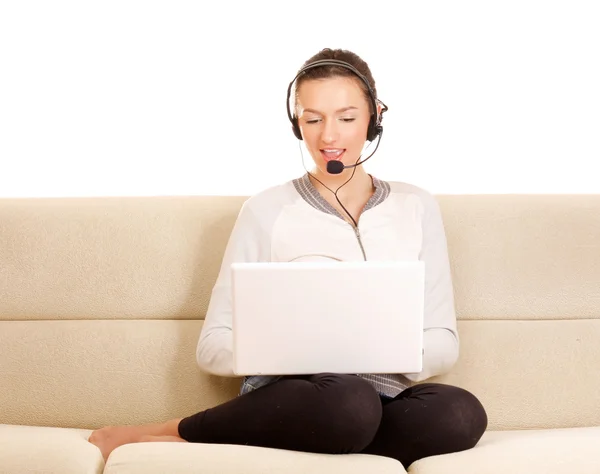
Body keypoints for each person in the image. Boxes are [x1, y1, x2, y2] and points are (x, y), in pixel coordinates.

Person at [89, 47, 488, 469]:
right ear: (296, 125)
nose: (328, 137)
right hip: (305, 398)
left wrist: (370, 352)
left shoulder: (417, 206)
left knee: (459, 413)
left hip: (382, 399)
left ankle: (250, 439)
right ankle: (185, 430)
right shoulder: (266, 210)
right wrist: (306, 352)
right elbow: (212, 348)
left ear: (375, 118)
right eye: (312, 120)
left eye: (347, 118)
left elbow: (443, 342)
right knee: (347, 403)